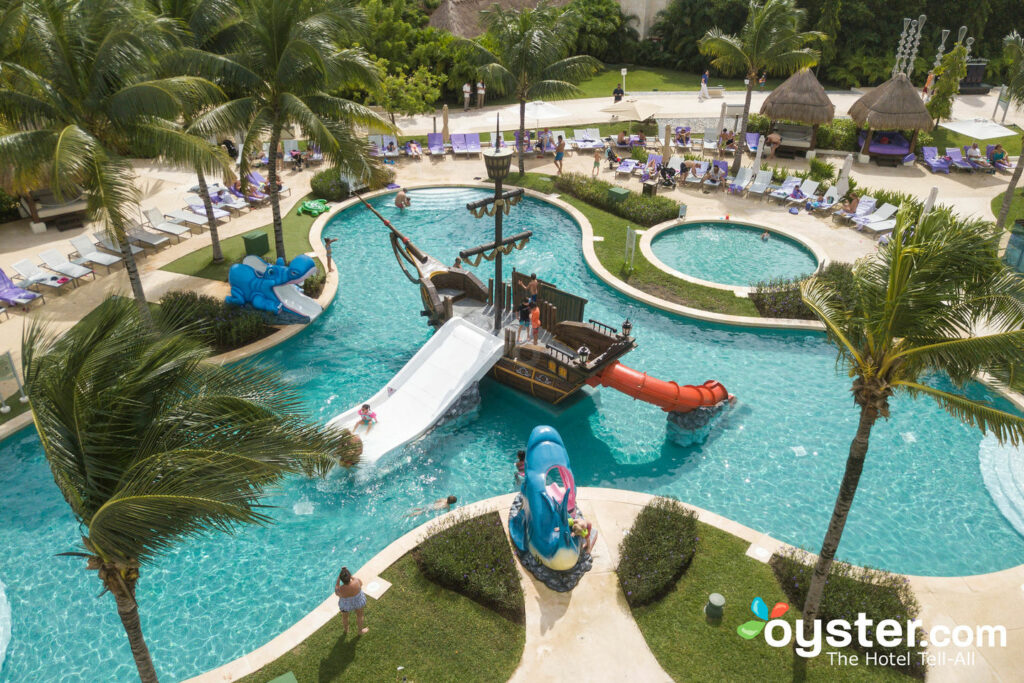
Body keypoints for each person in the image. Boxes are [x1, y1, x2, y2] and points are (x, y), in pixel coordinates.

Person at [334, 566, 369, 634]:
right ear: (349, 576)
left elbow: (336, 591)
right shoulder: (357, 581)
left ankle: (346, 630)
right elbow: (361, 584)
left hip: (345, 605)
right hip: (358, 601)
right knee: (360, 616)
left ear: (341, 579)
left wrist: (339, 578)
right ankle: (360, 631)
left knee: (345, 618)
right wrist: (348, 573)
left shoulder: (341, 589)